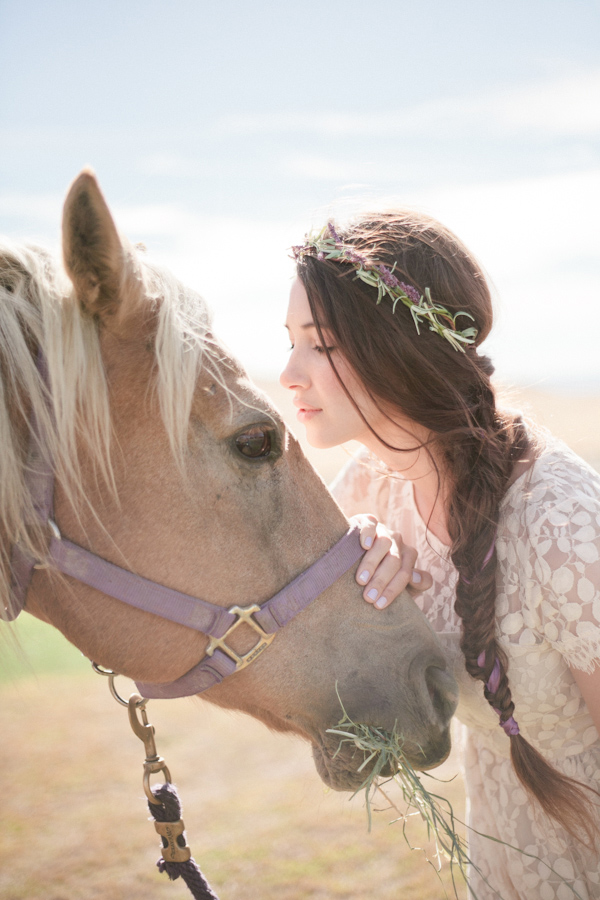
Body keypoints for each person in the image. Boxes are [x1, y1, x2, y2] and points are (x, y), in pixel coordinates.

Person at [280, 213, 600, 899]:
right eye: (290, 344)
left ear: (397, 349)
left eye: (321, 345)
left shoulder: (560, 525)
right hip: (500, 854)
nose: (289, 374)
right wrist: (357, 577)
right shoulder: (369, 488)